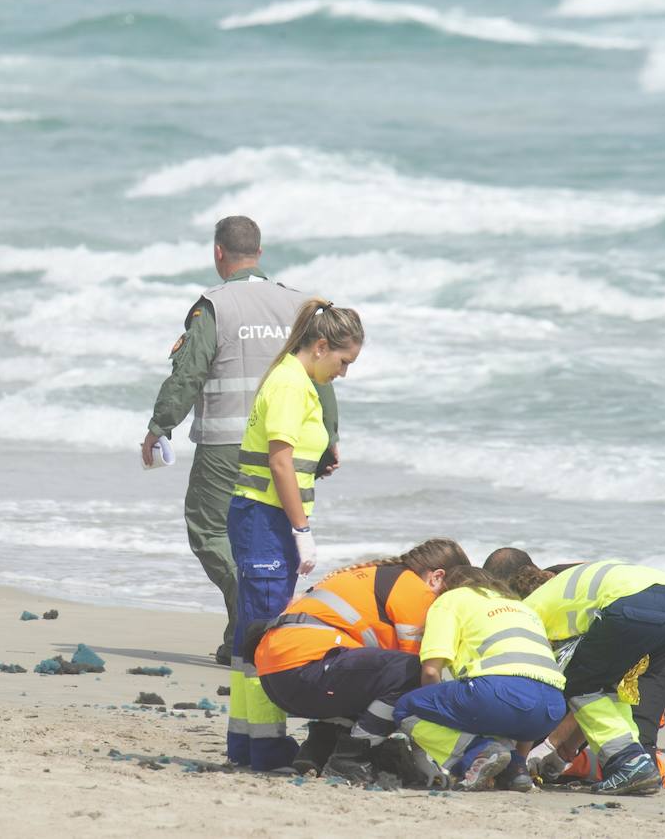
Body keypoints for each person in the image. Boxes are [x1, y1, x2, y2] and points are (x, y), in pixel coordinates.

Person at [142, 215, 338, 666]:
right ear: (260, 254)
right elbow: (324, 374)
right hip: (292, 445)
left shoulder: (215, 306)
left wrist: (159, 426)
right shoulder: (299, 306)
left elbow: (189, 372)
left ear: (218, 253)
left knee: (210, 530)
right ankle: (245, 633)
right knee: (265, 538)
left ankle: (257, 621)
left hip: (227, 442)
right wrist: (330, 438)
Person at [224, 296, 361, 771]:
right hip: (266, 520)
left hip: (266, 517)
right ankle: (264, 747)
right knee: (267, 635)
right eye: (344, 362)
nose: (344, 372)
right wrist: (301, 529)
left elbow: (290, 459)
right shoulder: (290, 383)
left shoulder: (295, 379)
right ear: (321, 346)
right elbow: (279, 460)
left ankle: (247, 742)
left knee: (251, 634)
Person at [243, 538, 471, 780]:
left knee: (371, 681)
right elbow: (419, 680)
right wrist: (429, 750)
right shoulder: (415, 590)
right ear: (436, 577)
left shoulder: (373, 575)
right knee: (409, 672)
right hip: (306, 669)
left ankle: (317, 751)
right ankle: (350, 758)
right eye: (450, 594)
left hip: (278, 674)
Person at [485, 547, 665, 774]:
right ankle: (631, 761)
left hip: (637, 617)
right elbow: (606, 685)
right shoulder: (560, 581)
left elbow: (575, 685)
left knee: (584, 686)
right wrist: (566, 749)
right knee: (597, 690)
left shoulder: (529, 609)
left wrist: (547, 746)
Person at [388, 567, 566, 792]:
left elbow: (432, 672)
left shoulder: (451, 599)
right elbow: (529, 683)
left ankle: (475, 753)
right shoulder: (520, 606)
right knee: (504, 709)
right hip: (551, 707)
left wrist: (439, 715)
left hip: (497, 693)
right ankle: (516, 770)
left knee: (407, 708)